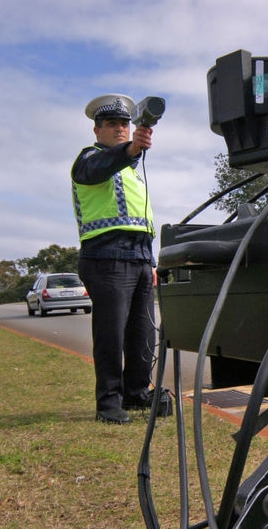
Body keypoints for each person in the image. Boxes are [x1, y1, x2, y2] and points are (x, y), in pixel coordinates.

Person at [71, 94, 157, 424]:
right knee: (111, 334)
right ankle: (108, 402)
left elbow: (142, 217)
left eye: (125, 123)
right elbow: (97, 170)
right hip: (106, 256)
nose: (120, 128)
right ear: (97, 131)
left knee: (142, 332)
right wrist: (131, 150)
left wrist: (149, 261)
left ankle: (136, 393)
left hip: (138, 257)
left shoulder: (131, 171)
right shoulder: (89, 159)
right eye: (112, 124)